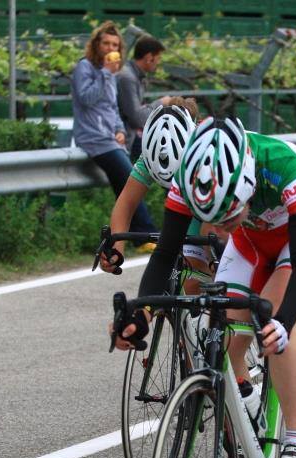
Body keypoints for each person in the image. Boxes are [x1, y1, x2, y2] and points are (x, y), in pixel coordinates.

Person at [111, 116, 296, 458]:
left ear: (248, 185)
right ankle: (249, 411)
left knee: (274, 322)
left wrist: (281, 321)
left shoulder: (285, 168)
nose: (217, 230)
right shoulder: (191, 176)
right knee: (216, 328)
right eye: (210, 220)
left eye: (228, 215)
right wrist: (142, 313)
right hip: (251, 240)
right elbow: (166, 252)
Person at [100, 97, 218, 292]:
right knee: (176, 276)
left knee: (206, 273)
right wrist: (116, 247)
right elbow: (126, 204)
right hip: (182, 207)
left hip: (213, 207)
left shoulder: (209, 147)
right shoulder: (153, 151)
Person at [71, 20, 154, 235]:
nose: (110, 48)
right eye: (106, 43)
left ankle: (130, 234)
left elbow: (111, 107)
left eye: (115, 45)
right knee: (131, 180)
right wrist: (106, 73)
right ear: (97, 45)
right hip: (93, 138)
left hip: (110, 138)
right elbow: (86, 98)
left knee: (124, 186)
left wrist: (118, 129)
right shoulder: (85, 67)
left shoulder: (109, 73)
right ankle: (145, 233)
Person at [117, 34, 166, 162]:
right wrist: (162, 103)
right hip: (123, 142)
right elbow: (137, 118)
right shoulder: (128, 78)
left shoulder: (136, 75)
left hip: (130, 139)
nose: (158, 62)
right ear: (149, 58)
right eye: (158, 58)